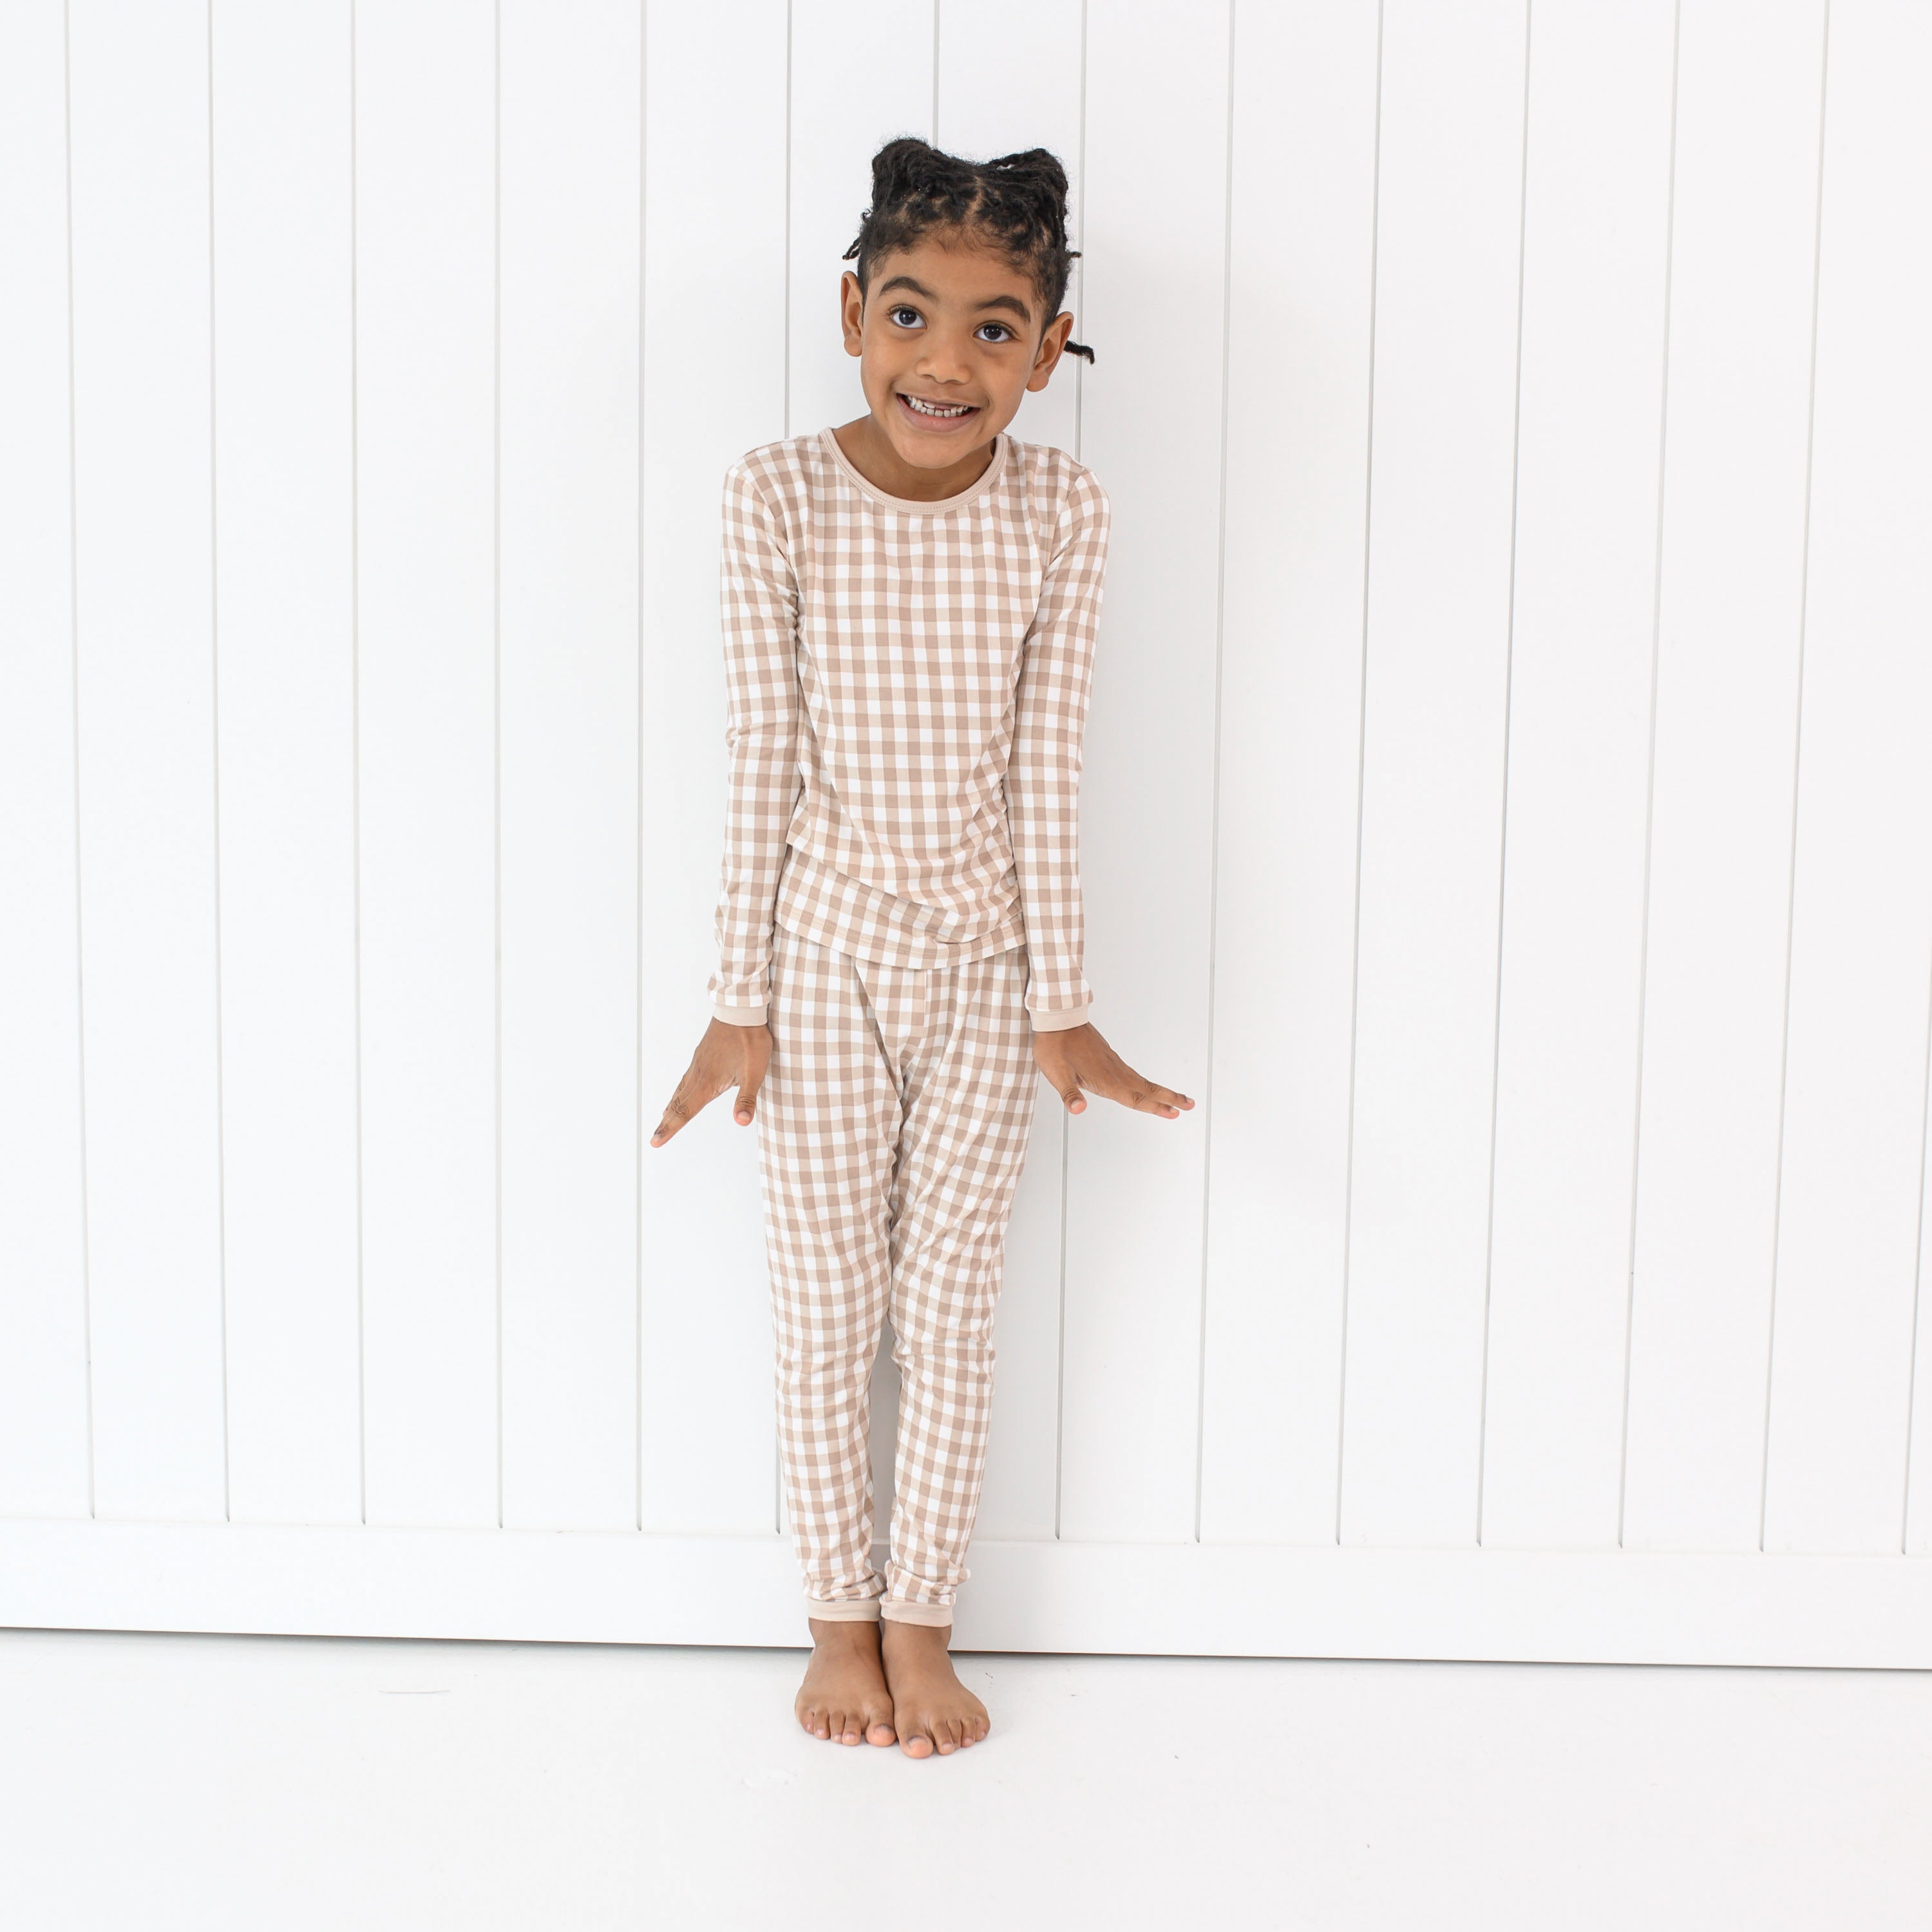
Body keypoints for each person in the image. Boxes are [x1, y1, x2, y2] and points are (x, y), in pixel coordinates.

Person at [649, 137, 1193, 1761]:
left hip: (987, 971)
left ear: (1046, 342)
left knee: (952, 1313)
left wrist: (1066, 1006)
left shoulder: (1063, 510)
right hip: (818, 959)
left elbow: (1049, 764)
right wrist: (735, 1005)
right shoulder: (777, 494)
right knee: (828, 1310)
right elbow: (765, 754)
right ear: (850, 313)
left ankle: (921, 1629)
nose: (944, 364)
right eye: (911, 315)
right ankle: (834, 1624)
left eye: (993, 329)